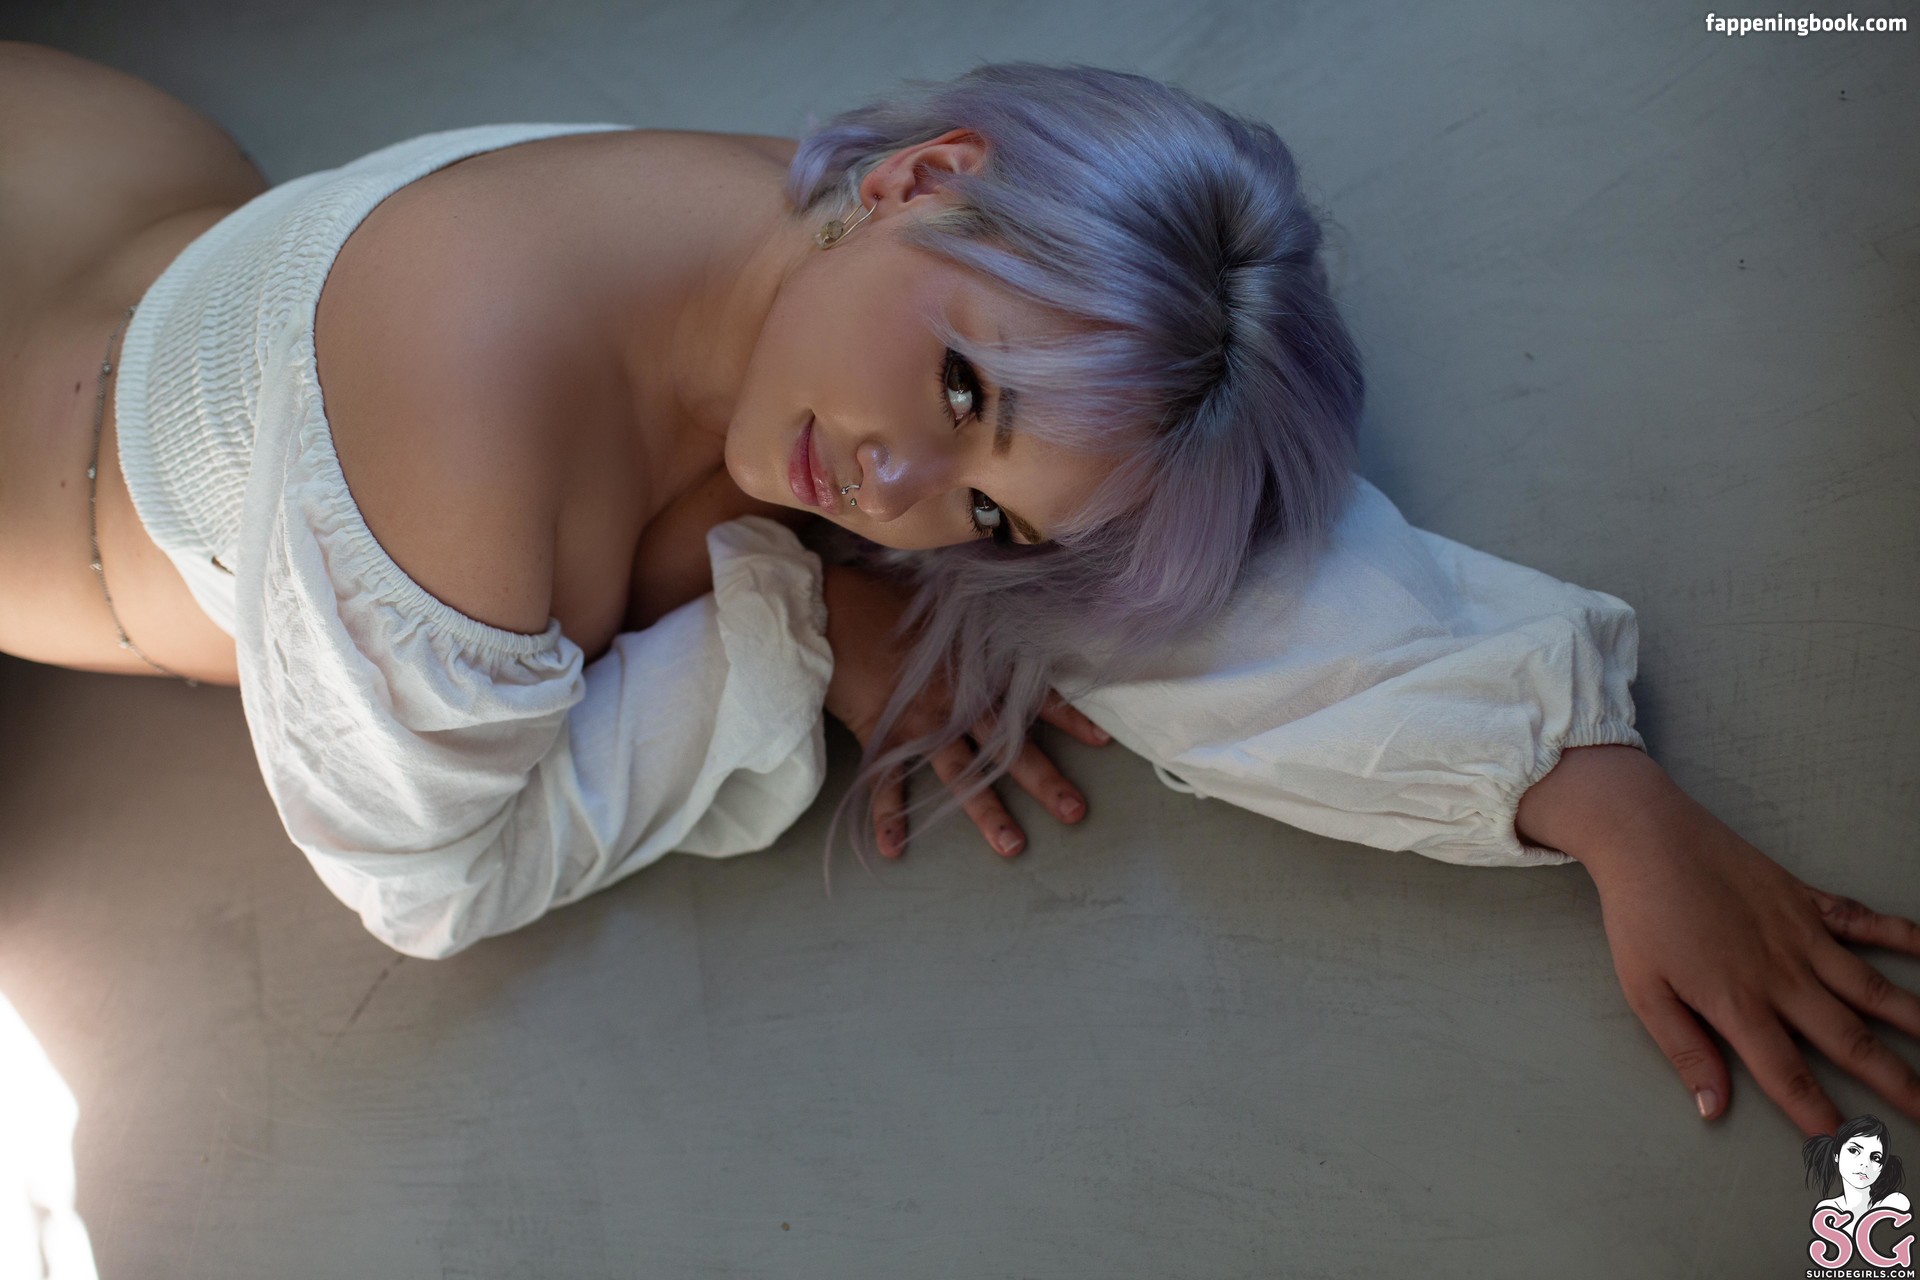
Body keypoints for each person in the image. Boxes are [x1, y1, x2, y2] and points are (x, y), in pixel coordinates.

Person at [0, 44, 1913, 1141]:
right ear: (930, 173)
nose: (906, 496)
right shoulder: (455, 455)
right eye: (966, 394)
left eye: (988, 510)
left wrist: (1599, 794)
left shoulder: (850, 247)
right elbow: (426, 874)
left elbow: (1145, 547)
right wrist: (789, 626)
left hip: (147, 177)